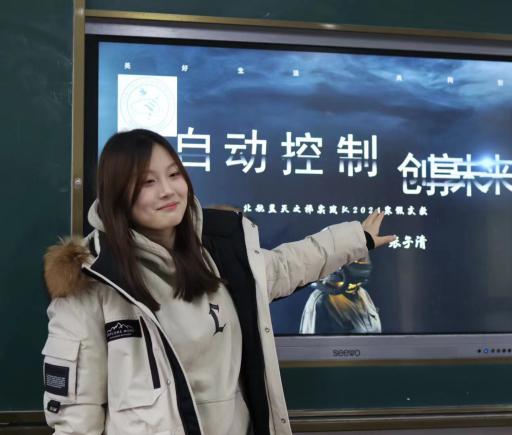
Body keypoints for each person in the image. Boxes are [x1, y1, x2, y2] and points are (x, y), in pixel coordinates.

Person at [42, 129, 394, 435]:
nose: (168, 191)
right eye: (148, 182)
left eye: (174, 174)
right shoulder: (91, 281)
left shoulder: (218, 251)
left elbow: (287, 265)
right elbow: (76, 417)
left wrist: (356, 239)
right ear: (118, 194)